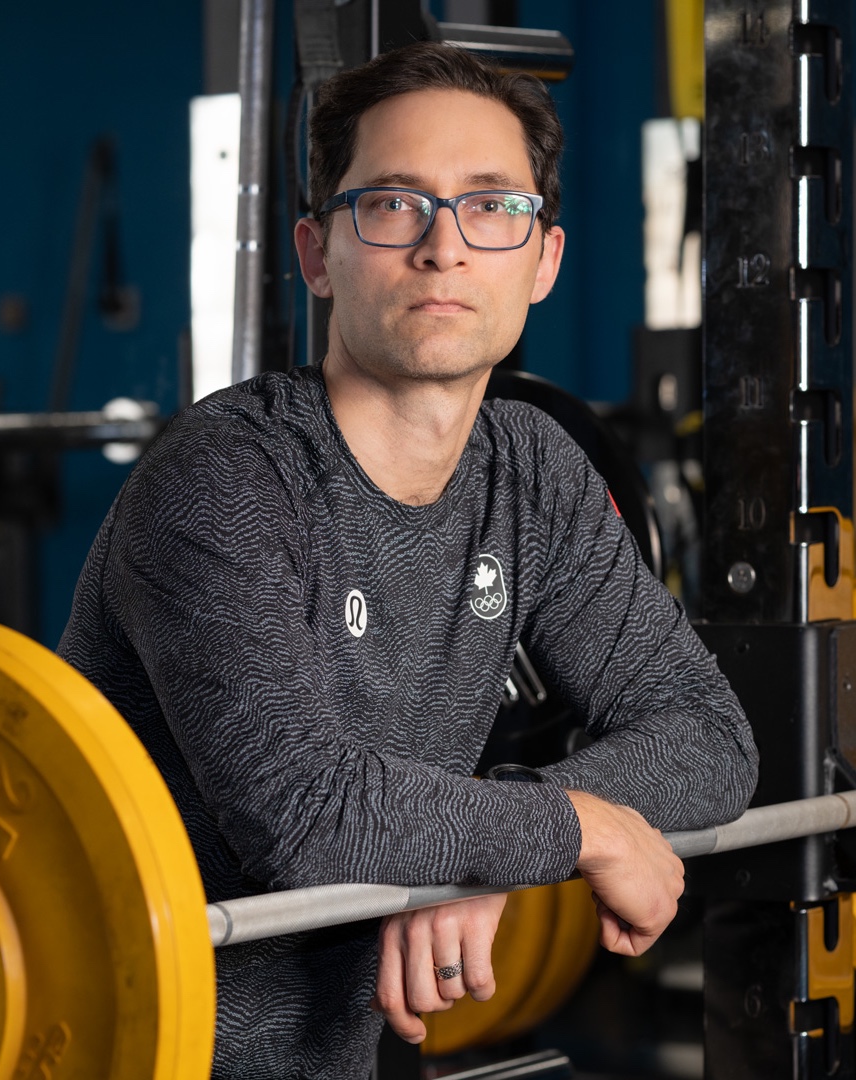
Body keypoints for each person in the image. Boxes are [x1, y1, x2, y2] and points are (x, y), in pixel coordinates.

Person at [59, 40, 758, 1080]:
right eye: (393, 204)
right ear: (315, 253)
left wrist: (499, 844)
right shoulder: (222, 478)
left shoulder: (532, 472)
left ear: (545, 258)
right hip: (117, 1044)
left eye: (492, 207)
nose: (445, 248)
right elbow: (305, 811)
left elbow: (710, 737)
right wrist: (578, 830)